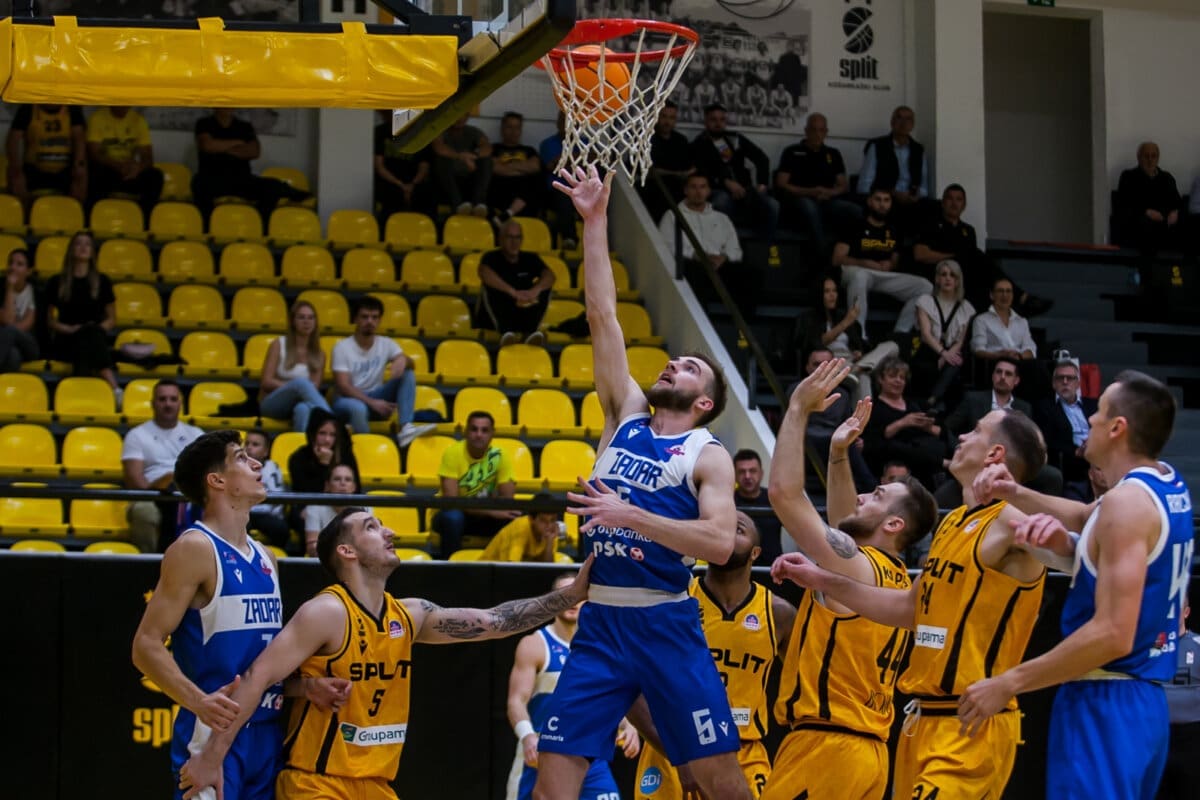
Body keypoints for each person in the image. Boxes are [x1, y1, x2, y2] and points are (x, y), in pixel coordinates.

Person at [533, 165, 750, 800]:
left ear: (704, 403)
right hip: (601, 623)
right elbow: (603, 315)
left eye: (689, 367)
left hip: (666, 623)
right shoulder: (624, 414)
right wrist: (595, 223)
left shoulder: (707, 454)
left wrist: (632, 517)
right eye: (675, 359)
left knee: (716, 781)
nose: (673, 363)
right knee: (551, 785)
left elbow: (719, 544)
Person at [178, 508, 594, 800]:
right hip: (317, 784)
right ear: (347, 551)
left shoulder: (409, 615)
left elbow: (495, 621)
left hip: (377, 784)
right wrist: (211, 757)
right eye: (372, 527)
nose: (389, 531)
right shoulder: (326, 612)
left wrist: (572, 594)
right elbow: (257, 679)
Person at [775, 406, 1049, 800]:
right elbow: (910, 608)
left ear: (995, 453)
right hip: (912, 724)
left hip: (941, 724)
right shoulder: (946, 532)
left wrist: (799, 407)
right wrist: (821, 578)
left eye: (974, 430)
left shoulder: (1012, 524)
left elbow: (788, 498)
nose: (961, 436)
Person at [962, 371, 1194, 799]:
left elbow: (1113, 633)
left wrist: (1010, 682)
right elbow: (1089, 517)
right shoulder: (1163, 483)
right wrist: (1015, 492)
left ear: (1118, 428)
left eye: (1099, 411)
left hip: (1105, 699)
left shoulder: (1127, 504)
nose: (1090, 418)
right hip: (1140, 702)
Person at [133, 430, 350, 800]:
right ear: (217, 481)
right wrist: (198, 701)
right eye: (240, 457)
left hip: (267, 733)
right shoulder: (195, 548)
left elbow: (261, 664)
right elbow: (145, 645)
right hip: (212, 735)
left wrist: (304, 688)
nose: (256, 464)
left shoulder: (267, 558)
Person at [767, 359, 938, 799]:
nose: (864, 496)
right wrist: (839, 453)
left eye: (877, 495)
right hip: (869, 755)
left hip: (826, 749)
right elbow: (845, 525)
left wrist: (796, 409)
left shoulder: (856, 568)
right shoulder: (893, 578)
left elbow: (785, 495)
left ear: (895, 524)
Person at [633, 512, 796, 799]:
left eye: (738, 529)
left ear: (756, 553)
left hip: (744, 753)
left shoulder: (778, 613)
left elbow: (807, 688)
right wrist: (677, 753)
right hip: (674, 750)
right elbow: (629, 685)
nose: (728, 532)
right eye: (721, 528)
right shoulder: (672, 599)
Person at [507, 573, 639, 800]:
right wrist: (527, 736)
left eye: (577, 594)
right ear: (552, 599)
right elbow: (516, 701)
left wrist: (629, 725)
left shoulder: (602, 646)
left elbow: (612, 696)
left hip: (590, 752)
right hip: (541, 751)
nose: (572, 601)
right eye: (565, 594)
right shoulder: (535, 644)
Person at [913, 184, 1052, 316]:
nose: (954, 203)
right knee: (977, 256)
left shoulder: (968, 230)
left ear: (964, 205)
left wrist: (963, 257)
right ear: (943, 203)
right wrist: (954, 256)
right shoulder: (930, 225)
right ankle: (1021, 297)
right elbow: (920, 254)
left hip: (966, 277)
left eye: (959, 199)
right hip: (941, 273)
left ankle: (1012, 307)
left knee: (983, 277)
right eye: (950, 199)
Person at [330, 295, 436, 444]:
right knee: (358, 408)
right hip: (347, 401)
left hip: (376, 398)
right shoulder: (342, 347)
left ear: (379, 320)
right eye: (365, 317)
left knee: (408, 373)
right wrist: (373, 402)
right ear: (355, 319)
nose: (370, 321)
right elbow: (343, 386)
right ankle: (366, 447)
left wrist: (403, 360)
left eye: (375, 317)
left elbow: (412, 365)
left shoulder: (386, 343)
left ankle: (406, 428)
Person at [833, 187, 931, 336]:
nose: (882, 204)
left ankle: (899, 334)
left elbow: (895, 261)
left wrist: (890, 264)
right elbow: (837, 259)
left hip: (881, 275)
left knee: (925, 286)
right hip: (856, 272)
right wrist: (864, 263)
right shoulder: (855, 225)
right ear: (869, 201)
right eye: (878, 199)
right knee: (861, 276)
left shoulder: (894, 229)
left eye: (886, 200)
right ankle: (858, 335)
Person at [122, 380, 205, 553]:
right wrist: (165, 483)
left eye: (173, 399)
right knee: (143, 512)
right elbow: (135, 483)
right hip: (151, 496)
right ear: (152, 403)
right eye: (162, 399)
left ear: (180, 403)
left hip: (188, 495)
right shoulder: (136, 435)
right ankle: (151, 563)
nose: (168, 404)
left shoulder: (196, 434)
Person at [659, 173, 758, 315]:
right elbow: (666, 245)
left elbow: (735, 249)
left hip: (719, 266)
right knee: (693, 272)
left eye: (702, 187)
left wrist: (724, 258)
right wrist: (696, 255)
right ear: (686, 190)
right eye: (693, 187)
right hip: (692, 264)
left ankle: (745, 322)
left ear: (709, 191)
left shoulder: (722, 218)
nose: (698, 192)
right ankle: (700, 320)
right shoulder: (672, 215)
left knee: (751, 274)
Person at [190, 108, 310, 222]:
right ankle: (207, 227)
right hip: (212, 179)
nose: (227, 106)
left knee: (272, 185)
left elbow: (254, 151)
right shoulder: (204, 123)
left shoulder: (244, 126)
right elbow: (207, 146)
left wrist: (220, 147)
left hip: (241, 179)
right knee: (198, 183)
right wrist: (238, 143)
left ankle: (259, 224)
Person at [795, 277, 898, 402]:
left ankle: (857, 369)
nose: (832, 295)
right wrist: (846, 322)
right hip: (832, 361)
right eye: (827, 291)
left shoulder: (841, 316)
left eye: (834, 291)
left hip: (852, 361)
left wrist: (858, 353)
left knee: (892, 346)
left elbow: (859, 344)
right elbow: (817, 343)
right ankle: (857, 375)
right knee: (863, 377)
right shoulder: (809, 318)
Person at [432, 410, 518, 558]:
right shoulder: (453, 453)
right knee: (452, 517)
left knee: (515, 518)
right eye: (474, 429)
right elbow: (452, 501)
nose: (479, 434)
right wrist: (491, 510)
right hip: (455, 515)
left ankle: (504, 566)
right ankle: (450, 567)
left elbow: (507, 501)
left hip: (484, 517)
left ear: (492, 434)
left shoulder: (500, 455)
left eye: (484, 430)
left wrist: (495, 511)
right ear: (466, 432)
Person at [43, 231, 120, 395]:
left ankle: (76, 393)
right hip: (66, 339)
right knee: (87, 337)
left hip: (94, 337)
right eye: (78, 243)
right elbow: (49, 320)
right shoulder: (56, 281)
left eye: (87, 244)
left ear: (92, 252)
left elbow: (112, 319)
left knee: (88, 334)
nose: (83, 247)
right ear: (71, 249)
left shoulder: (103, 281)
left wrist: (95, 330)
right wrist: (70, 329)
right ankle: (114, 388)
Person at [774, 112, 858, 262]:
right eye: (813, 130)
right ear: (806, 131)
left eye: (821, 130)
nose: (817, 134)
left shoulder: (833, 153)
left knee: (855, 210)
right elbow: (781, 183)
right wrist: (810, 192)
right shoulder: (792, 151)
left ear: (826, 132)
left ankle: (855, 255)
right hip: (799, 199)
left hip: (827, 200)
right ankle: (823, 257)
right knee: (810, 208)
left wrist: (829, 192)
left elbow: (843, 185)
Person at [690, 103, 779, 242]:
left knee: (772, 204)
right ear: (706, 121)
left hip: (745, 189)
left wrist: (762, 184)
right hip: (717, 189)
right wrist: (725, 182)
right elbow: (701, 173)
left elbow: (762, 159)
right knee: (722, 201)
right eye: (713, 120)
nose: (718, 124)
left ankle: (765, 248)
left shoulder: (735, 139)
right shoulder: (698, 144)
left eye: (722, 120)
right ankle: (727, 246)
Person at [800, 348, 877, 493]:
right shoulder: (797, 391)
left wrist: (854, 437)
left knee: (854, 443)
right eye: (817, 364)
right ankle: (871, 488)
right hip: (806, 441)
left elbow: (846, 422)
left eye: (827, 364)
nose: (823, 369)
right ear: (807, 368)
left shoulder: (843, 394)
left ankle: (867, 491)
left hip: (834, 440)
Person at [862, 355, 945, 489]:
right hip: (892, 463)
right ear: (880, 379)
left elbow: (942, 431)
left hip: (925, 461)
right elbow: (872, 442)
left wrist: (928, 427)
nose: (898, 381)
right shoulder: (872, 408)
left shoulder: (917, 404)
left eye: (902, 377)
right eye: (893, 376)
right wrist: (904, 422)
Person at [910, 259, 975, 414]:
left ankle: (932, 400)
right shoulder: (925, 301)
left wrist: (947, 356)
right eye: (943, 274)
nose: (947, 278)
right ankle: (935, 402)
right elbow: (926, 334)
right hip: (929, 349)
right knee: (950, 363)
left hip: (952, 350)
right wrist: (943, 354)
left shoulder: (966, 307)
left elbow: (960, 340)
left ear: (958, 281)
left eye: (952, 275)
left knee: (956, 361)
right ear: (937, 279)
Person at [477, 220, 556, 346]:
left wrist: (534, 291)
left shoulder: (530, 258)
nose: (514, 242)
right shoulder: (491, 257)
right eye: (510, 237)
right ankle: (505, 333)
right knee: (491, 288)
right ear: (501, 239)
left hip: (521, 312)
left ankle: (530, 333)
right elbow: (484, 273)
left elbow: (550, 275)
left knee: (544, 288)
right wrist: (512, 292)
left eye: (518, 237)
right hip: (496, 317)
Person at [257, 299, 331, 433]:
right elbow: (266, 382)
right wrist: (294, 387)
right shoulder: (278, 344)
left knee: (303, 409)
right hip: (273, 403)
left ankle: (300, 444)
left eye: (311, 318)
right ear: (293, 321)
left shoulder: (320, 354)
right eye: (301, 317)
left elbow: (313, 389)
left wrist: (298, 388)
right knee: (301, 383)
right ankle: (333, 423)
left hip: (300, 403)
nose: (306, 321)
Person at [856, 105, 933, 232]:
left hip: (911, 200)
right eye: (899, 118)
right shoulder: (877, 146)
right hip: (885, 199)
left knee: (933, 208)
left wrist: (914, 196)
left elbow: (924, 188)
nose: (903, 123)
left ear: (913, 125)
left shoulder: (919, 150)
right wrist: (892, 194)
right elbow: (864, 184)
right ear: (892, 122)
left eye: (908, 119)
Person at [1034, 356, 1098, 502]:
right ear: (1053, 383)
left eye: (1070, 378)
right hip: (1069, 459)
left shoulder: (1093, 405)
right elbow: (1047, 440)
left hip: (1096, 454)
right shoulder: (1045, 407)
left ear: (1078, 384)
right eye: (1060, 378)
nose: (1065, 382)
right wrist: (1076, 451)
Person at [85, 105, 164, 218]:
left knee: (155, 176)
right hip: (108, 171)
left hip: (130, 172)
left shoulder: (139, 120)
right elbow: (94, 154)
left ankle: (144, 219)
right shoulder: (97, 118)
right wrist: (117, 166)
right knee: (94, 173)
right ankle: (94, 217)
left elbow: (148, 157)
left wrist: (137, 168)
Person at [5, 103, 87, 206]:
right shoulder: (28, 109)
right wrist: (16, 167)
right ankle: (25, 212)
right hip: (34, 169)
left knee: (81, 174)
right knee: (15, 176)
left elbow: (79, 138)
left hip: (65, 170)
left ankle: (75, 211)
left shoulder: (72, 109)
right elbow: (12, 141)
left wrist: (79, 164)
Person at [1159, 598, 1200, 800]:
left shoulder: (1198, 644)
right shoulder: (1152, 646)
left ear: (1186, 613)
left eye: (1176, 611)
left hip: (1192, 739)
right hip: (1157, 736)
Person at [1114, 142, 1183, 258]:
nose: (1150, 160)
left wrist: (1175, 212)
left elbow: (1178, 202)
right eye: (1146, 156)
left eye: (1153, 156)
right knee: (1146, 225)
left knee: (1186, 222)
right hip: (1141, 220)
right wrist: (1146, 212)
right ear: (1139, 157)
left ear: (1158, 158)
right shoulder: (1129, 176)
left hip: (1165, 220)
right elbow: (1124, 203)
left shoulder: (1167, 178)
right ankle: (1150, 266)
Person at [373, 109, 433, 225]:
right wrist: (400, 184)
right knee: (392, 197)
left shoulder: (421, 133)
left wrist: (412, 184)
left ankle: (423, 230)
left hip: (413, 181)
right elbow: (379, 166)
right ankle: (389, 230)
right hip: (390, 181)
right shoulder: (381, 132)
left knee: (426, 195)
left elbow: (424, 166)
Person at [643, 100, 695, 222]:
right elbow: (649, 170)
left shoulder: (681, 140)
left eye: (672, 118)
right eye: (664, 116)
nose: (667, 122)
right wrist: (676, 173)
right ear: (657, 117)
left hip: (680, 186)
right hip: (655, 188)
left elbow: (690, 166)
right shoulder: (647, 139)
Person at [432, 113, 492, 217]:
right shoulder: (441, 131)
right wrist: (461, 156)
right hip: (448, 175)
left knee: (487, 161)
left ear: (467, 116)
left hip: (469, 171)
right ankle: (457, 204)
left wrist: (474, 155)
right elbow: (439, 148)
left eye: (463, 115)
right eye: (457, 115)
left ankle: (478, 203)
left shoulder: (473, 131)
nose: (459, 118)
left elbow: (487, 148)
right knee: (442, 160)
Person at [302, 462, 369, 557]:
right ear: (327, 485)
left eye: (348, 479)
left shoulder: (365, 508)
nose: (343, 483)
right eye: (337, 479)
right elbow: (312, 548)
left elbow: (368, 547)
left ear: (354, 487)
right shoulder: (314, 507)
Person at [732, 449, 784, 566]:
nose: (747, 476)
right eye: (742, 472)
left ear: (761, 473)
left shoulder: (775, 499)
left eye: (752, 471)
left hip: (773, 571)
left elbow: (798, 529)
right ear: (734, 475)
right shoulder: (727, 501)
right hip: (737, 570)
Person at [489, 111, 544, 223]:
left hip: (524, 188)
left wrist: (506, 166)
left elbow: (535, 167)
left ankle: (508, 213)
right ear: (502, 128)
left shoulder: (529, 150)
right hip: (502, 187)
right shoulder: (494, 148)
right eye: (509, 127)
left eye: (517, 127)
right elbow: (495, 168)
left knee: (536, 179)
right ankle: (509, 213)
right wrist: (522, 169)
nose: (513, 131)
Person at [243, 428, 290, 552]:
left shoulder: (272, 467)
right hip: (242, 512)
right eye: (247, 443)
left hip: (266, 513)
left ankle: (276, 556)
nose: (249, 448)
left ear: (265, 451)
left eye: (255, 444)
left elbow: (278, 496)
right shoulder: (236, 467)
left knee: (280, 528)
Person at [481, 495, 564, 563]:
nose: (549, 525)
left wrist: (549, 542)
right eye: (543, 520)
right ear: (531, 519)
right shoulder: (521, 528)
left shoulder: (551, 532)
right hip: (485, 571)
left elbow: (547, 568)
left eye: (552, 520)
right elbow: (511, 567)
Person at [539, 111, 578, 249]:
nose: (568, 125)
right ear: (558, 123)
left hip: (580, 189)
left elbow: (594, 159)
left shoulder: (585, 142)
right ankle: (569, 238)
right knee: (563, 194)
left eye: (571, 122)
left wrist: (565, 160)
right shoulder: (548, 144)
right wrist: (578, 159)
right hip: (555, 191)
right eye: (564, 121)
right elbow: (552, 165)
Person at [0, 248, 39, 371]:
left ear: (28, 271)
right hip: (5, 345)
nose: (13, 267)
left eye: (19, 264)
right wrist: (10, 288)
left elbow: (23, 326)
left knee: (9, 330)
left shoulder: (36, 292)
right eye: (11, 263)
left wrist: (9, 330)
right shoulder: (0, 289)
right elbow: (7, 319)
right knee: (13, 355)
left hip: (29, 345)